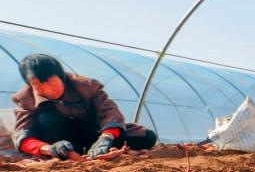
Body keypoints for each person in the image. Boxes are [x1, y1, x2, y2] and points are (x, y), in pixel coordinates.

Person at [11, 54, 158, 160]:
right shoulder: (25, 99)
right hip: (62, 141)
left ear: (61, 76)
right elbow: (22, 135)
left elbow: (109, 111)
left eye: (50, 81)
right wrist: (50, 149)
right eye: (37, 85)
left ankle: (96, 150)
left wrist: (106, 137)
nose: (47, 89)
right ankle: (68, 154)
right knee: (46, 118)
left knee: (147, 137)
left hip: (95, 133)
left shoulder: (86, 86)